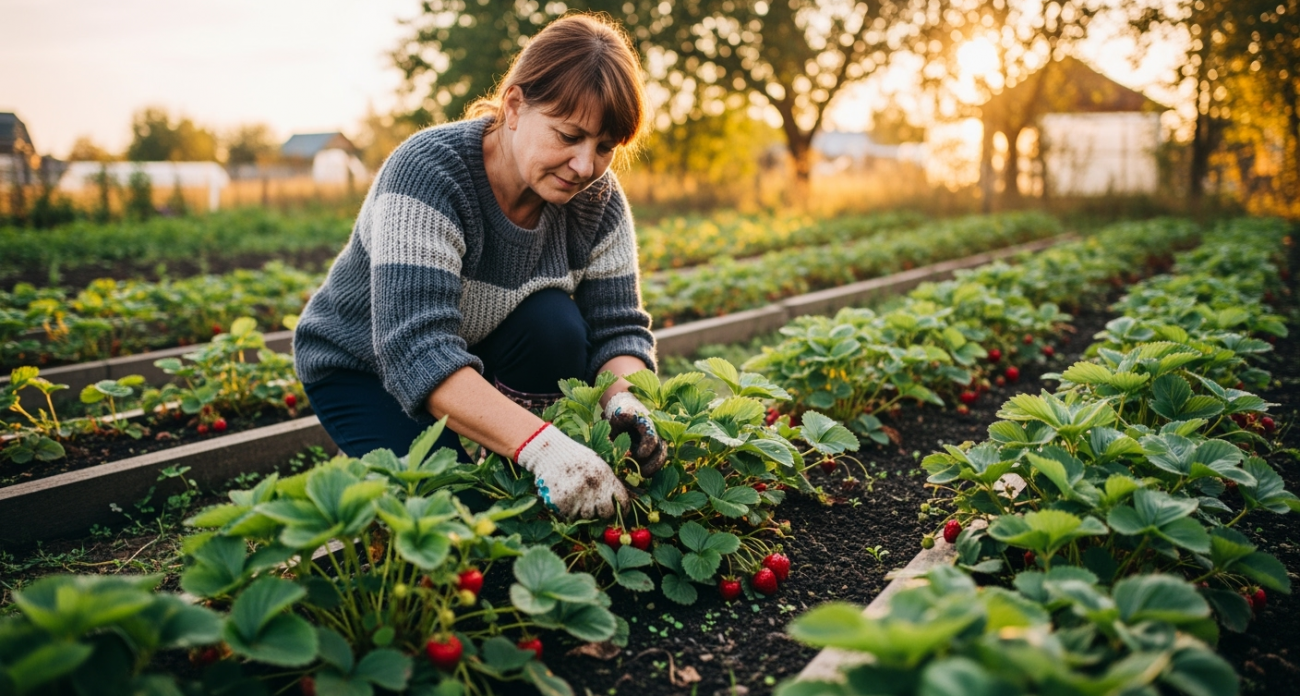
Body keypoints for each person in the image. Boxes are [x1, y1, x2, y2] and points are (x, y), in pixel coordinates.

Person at [293, 14, 665, 521]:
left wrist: (626, 401)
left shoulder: (596, 200)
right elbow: (416, 351)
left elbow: (617, 329)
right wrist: (544, 447)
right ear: (514, 106)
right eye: (568, 135)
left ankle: (500, 444)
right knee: (462, 520)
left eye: (604, 147)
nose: (584, 166)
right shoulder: (428, 174)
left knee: (554, 322)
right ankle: (391, 448)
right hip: (365, 367)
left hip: (474, 348)